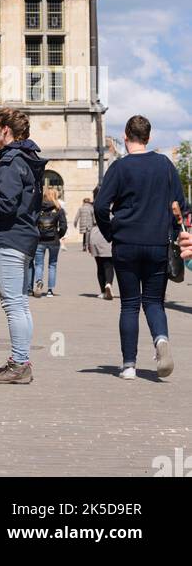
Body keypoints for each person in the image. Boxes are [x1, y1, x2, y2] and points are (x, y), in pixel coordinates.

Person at [93, 114, 185, 380]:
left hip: (126, 243)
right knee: (155, 302)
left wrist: (111, 231)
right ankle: (161, 341)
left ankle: (129, 365)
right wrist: (173, 231)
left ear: (125, 136)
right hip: (157, 243)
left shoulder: (120, 168)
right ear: (149, 137)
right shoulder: (165, 165)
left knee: (130, 305)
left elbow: (101, 205)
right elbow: (180, 204)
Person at [0, 108, 45, 385]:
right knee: (21, 304)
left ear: (6, 130)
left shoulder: (10, 162)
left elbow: (7, 204)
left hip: (11, 238)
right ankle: (22, 360)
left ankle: (19, 364)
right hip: (26, 237)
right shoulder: (27, 158)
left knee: (13, 305)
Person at [31, 187, 67, 295]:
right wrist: (58, 235)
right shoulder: (58, 209)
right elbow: (64, 226)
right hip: (54, 240)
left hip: (40, 240)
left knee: (38, 264)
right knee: (52, 264)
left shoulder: (37, 209)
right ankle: (50, 290)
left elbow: (33, 224)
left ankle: (39, 281)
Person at [89, 185, 114, 298]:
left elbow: (89, 225)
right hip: (107, 233)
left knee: (99, 265)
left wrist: (87, 244)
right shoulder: (111, 205)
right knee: (109, 264)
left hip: (94, 234)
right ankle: (108, 284)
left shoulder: (92, 206)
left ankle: (102, 291)